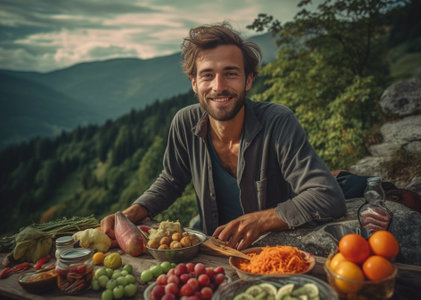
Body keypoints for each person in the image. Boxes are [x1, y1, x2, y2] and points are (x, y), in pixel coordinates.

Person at [101, 23, 346, 250]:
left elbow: (326, 195)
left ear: (248, 80)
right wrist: (132, 211)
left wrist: (261, 220)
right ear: (194, 83)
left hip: (271, 251)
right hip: (213, 250)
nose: (218, 86)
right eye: (207, 75)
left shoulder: (277, 122)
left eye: (230, 73)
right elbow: (172, 180)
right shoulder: (184, 123)